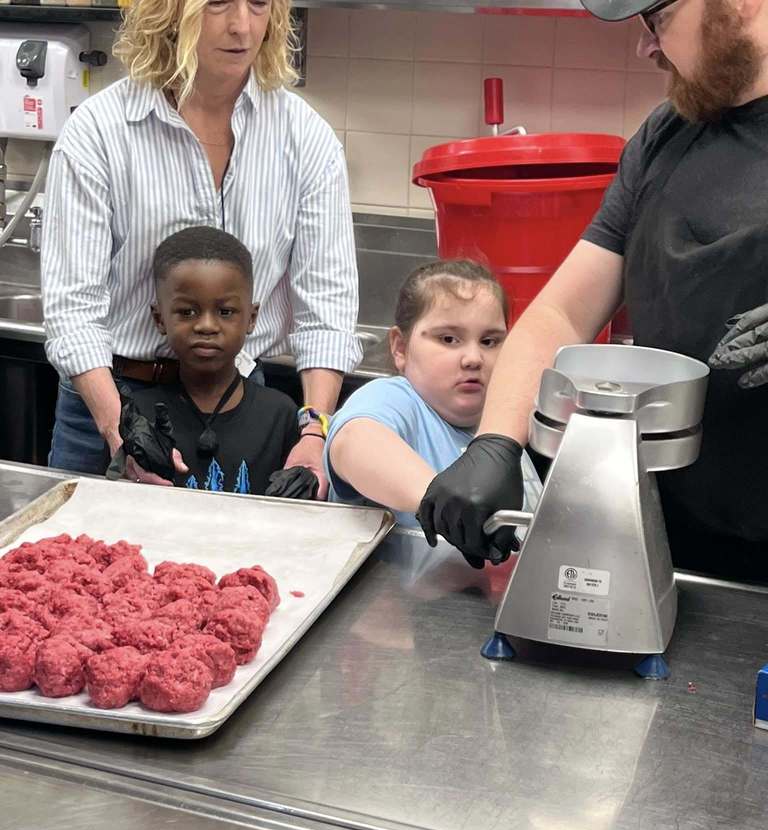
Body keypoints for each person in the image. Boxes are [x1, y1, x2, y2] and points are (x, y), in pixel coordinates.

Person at [417, 2, 768, 584]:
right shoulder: (665, 136)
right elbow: (562, 311)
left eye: (656, 19)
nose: (646, 46)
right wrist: (497, 442)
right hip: (668, 541)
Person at [42, 0, 358, 497]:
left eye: (258, 4)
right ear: (169, 12)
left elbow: (327, 312)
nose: (242, 26)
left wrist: (315, 432)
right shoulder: (99, 132)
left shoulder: (306, 139)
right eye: (217, 4)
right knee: (90, 549)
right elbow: (72, 311)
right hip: (112, 397)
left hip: (241, 406)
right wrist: (118, 431)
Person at [324, 261, 541, 559]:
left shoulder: (503, 426)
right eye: (448, 339)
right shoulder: (396, 398)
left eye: (489, 341)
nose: (473, 358)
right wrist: (445, 501)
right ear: (400, 347)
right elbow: (354, 440)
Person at [116, 225, 308, 495]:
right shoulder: (140, 415)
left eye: (225, 312)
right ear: (159, 319)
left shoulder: (280, 415)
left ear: (251, 318)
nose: (206, 326)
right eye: (187, 312)